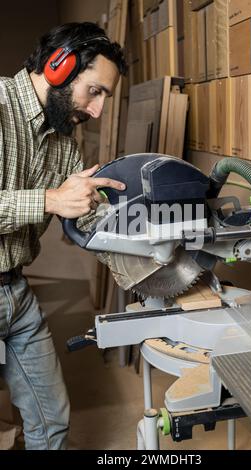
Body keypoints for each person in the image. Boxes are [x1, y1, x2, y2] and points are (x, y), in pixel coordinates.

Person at [0, 21, 127, 449]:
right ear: (59, 66)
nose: (98, 112)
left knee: (51, 423)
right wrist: (50, 200)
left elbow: (85, 219)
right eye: (95, 91)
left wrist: (147, 234)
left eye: (105, 98)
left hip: (16, 294)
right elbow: (56, 201)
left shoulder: (65, 144)